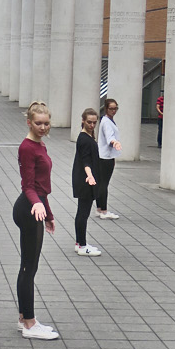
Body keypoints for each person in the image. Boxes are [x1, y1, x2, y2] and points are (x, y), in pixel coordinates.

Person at [13, 101, 59, 340]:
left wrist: (48, 214)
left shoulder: (40, 145)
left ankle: (24, 318)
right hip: (29, 208)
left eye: (46, 123)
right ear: (29, 122)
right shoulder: (27, 147)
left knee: (28, 265)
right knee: (29, 267)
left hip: (36, 207)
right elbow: (28, 186)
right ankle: (30, 324)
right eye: (38, 123)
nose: (43, 127)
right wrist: (38, 205)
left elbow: (42, 188)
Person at [71, 108, 103, 257]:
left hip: (84, 179)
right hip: (85, 180)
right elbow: (86, 161)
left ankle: (80, 243)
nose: (92, 125)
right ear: (83, 121)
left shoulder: (86, 137)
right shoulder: (84, 139)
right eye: (89, 122)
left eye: (94, 122)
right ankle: (82, 245)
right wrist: (90, 176)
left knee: (82, 212)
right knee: (83, 213)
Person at [95, 98, 122, 219]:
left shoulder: (107, 120)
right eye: (111, 108)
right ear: (106, 109)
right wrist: (114, 143)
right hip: (106, 157)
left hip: (104, 155)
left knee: (101, 182)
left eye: (115, 108)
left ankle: (99, 208)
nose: (113, 111)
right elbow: (109, 136)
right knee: (104, 183)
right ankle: (104, 211)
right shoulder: (106, 122)